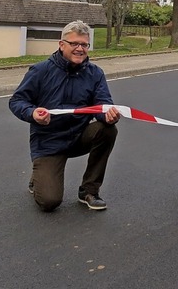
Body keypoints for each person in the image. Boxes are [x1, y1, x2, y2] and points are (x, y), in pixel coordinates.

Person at [9, 20, 121, 212]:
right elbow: (17, 101)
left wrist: (108, 115)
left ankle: (89, 191)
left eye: (84, 45)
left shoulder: (95, 73)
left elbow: (103, 104)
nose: (80, 49)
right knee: (49, 202)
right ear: (62, 45)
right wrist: (32, 113)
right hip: (49, 142)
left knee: (108, 130)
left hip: (78, 136)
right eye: (74, 44)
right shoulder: (40, 71)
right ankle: (39, 177)